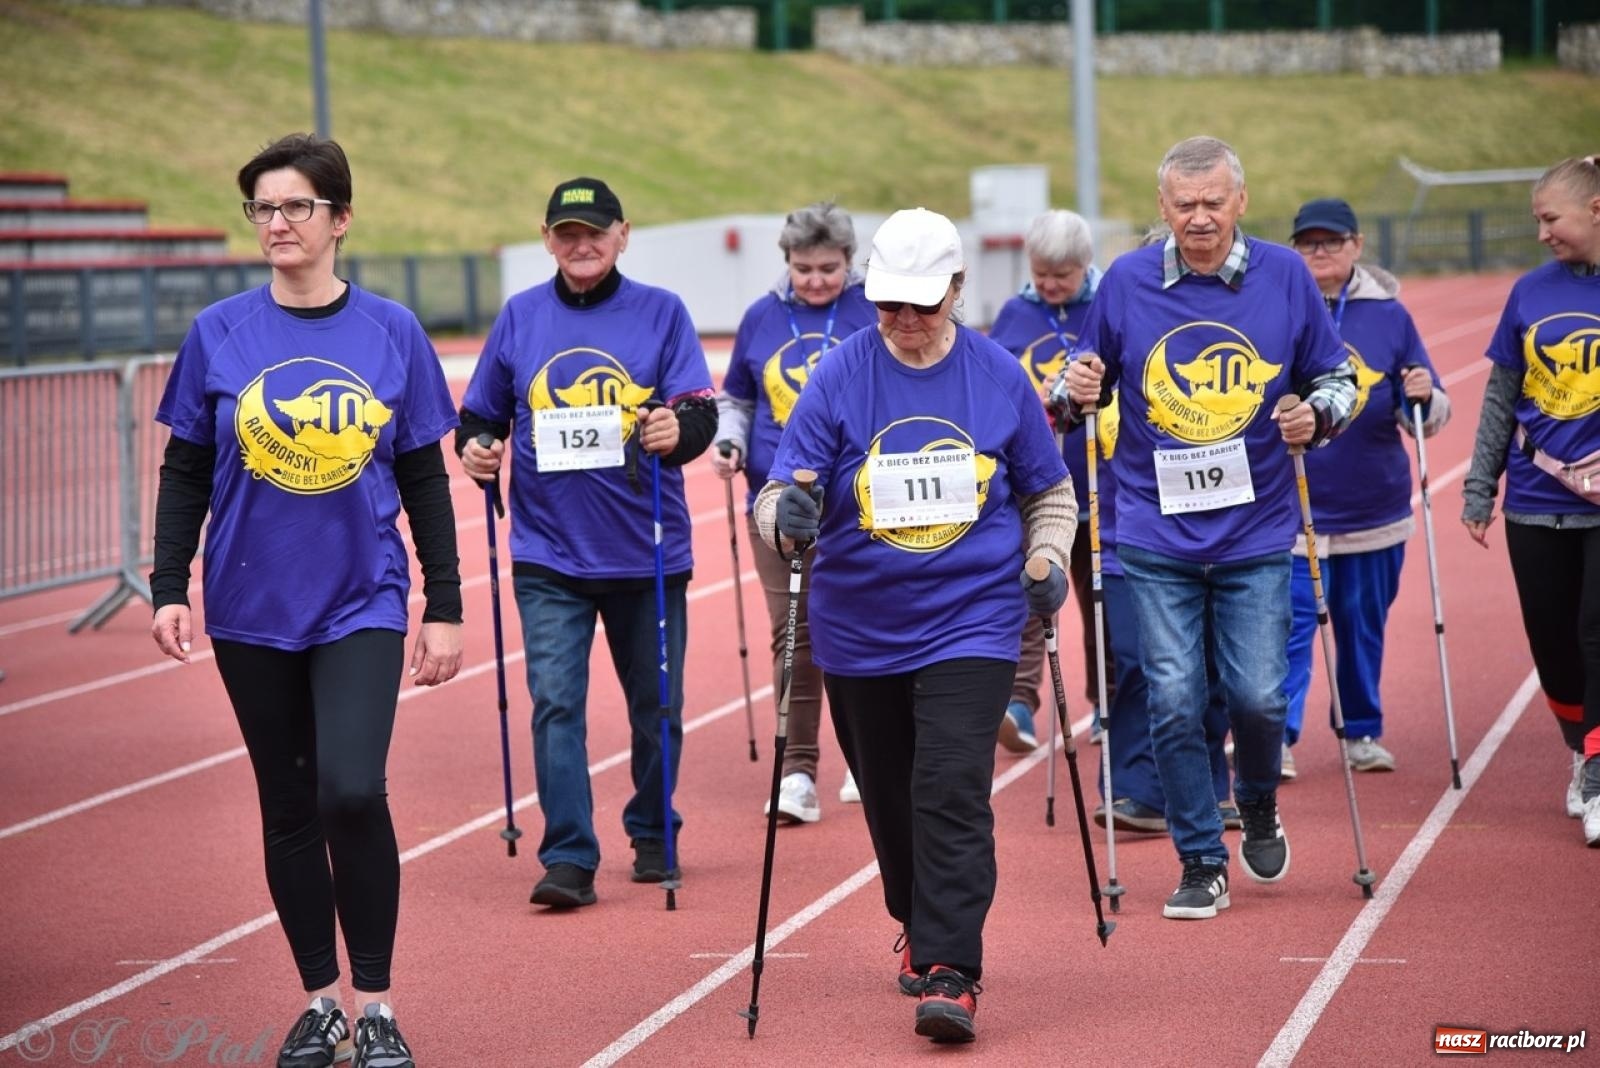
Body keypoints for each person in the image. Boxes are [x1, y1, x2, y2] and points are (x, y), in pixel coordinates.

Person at [150, 133, 461, 1068]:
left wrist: (444, 604)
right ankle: (321, 1003)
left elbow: (425, 479)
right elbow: (184, 472)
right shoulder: (219, 332)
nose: (278, 222)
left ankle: (378, 1007)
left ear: (341, 219)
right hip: (250, 601)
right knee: (288, 805)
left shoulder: (391, 332)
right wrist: (169, 585)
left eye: (297, 206)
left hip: (361, 597)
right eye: (263, 207)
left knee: (351, 791)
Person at [757, 208, 1075, 1044]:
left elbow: (1049, 491)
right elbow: (778, 494)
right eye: (888, 303)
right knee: (892, 797)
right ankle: (914, 914)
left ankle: (951, 968)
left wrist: (1047, 557)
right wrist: (786, 518)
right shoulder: (839, 375)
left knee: (950, 787)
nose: (902, 319)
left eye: (921, 304)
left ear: (957, 290)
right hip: (859, 628)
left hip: (973, 620)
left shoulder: (996, 375)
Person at [1063, 136, 1356, 921]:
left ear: (1240, 203)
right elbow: (1077, 383)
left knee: (1258, 697)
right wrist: (1076, 384)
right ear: (1162, 207)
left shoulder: (1285, 276)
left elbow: (1338, 377)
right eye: (1185, 204)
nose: (1199, 217)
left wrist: (1318, 413)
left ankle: (1254, 798)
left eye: (1213, 203)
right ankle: (1200, 859)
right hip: (1152, 530)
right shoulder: (1126, 281)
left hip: (1254, 531)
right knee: (1173, 698)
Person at [457, 177, 716, 907]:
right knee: (556, 705)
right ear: (547, 240)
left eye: (594, 232)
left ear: (622, 235)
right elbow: (479, 416)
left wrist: (675, 431)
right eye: (567, 233)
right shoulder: (520, 316)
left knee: (657, 707)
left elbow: (699, 413)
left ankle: (654, 830)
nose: (581, 245)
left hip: (646, 551)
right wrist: (476, 448)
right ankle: (569, 855)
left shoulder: (663, 313)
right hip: (549, 556)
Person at [712, 202, 877, 821]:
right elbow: (737, 398)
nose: (814, 280)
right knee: (794, 633)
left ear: (848, 262)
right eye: (803, 268)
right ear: (787, 262)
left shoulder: (873, 311)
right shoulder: (761, 316)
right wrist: (728, 441)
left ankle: (869, 755)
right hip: (777, 503)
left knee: (865, 624)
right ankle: (798, 773)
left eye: (828, 269)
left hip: (860, 503)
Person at [1283, 198, 1450, 776]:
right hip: (1290, 511)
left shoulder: (1391, 315)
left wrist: (1423, 395)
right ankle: (1274, 738)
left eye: (1331, 241)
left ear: (1356, 245)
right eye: (1308, 243)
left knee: (1361, 628)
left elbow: (1425, 413)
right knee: (1285, 628)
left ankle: (1360, 731)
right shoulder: (1278, 306)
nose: (1320, 252)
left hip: (1372, 509)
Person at [1463, 153, 1600, 847]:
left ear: (1595, 211)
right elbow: (1500, 397)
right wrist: (1479, 486)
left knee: (1596, 632)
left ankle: (1599, 772)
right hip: (1536, 498)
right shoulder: (1529, 292)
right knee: (1553, 643)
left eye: (1551, 218)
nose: (1542, 232)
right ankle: (1582, 750)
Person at [988, 208, 1113, 753]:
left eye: (1062, 275)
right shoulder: (1015, 313)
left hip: (1104, 484)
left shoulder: (1110, 304)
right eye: (1041, 273)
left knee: (1102, 601)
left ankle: (1108, 703)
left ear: (1086, 265)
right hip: (1033, 488)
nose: (1050, 284)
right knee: (1030, 595)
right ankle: (1019, 704)